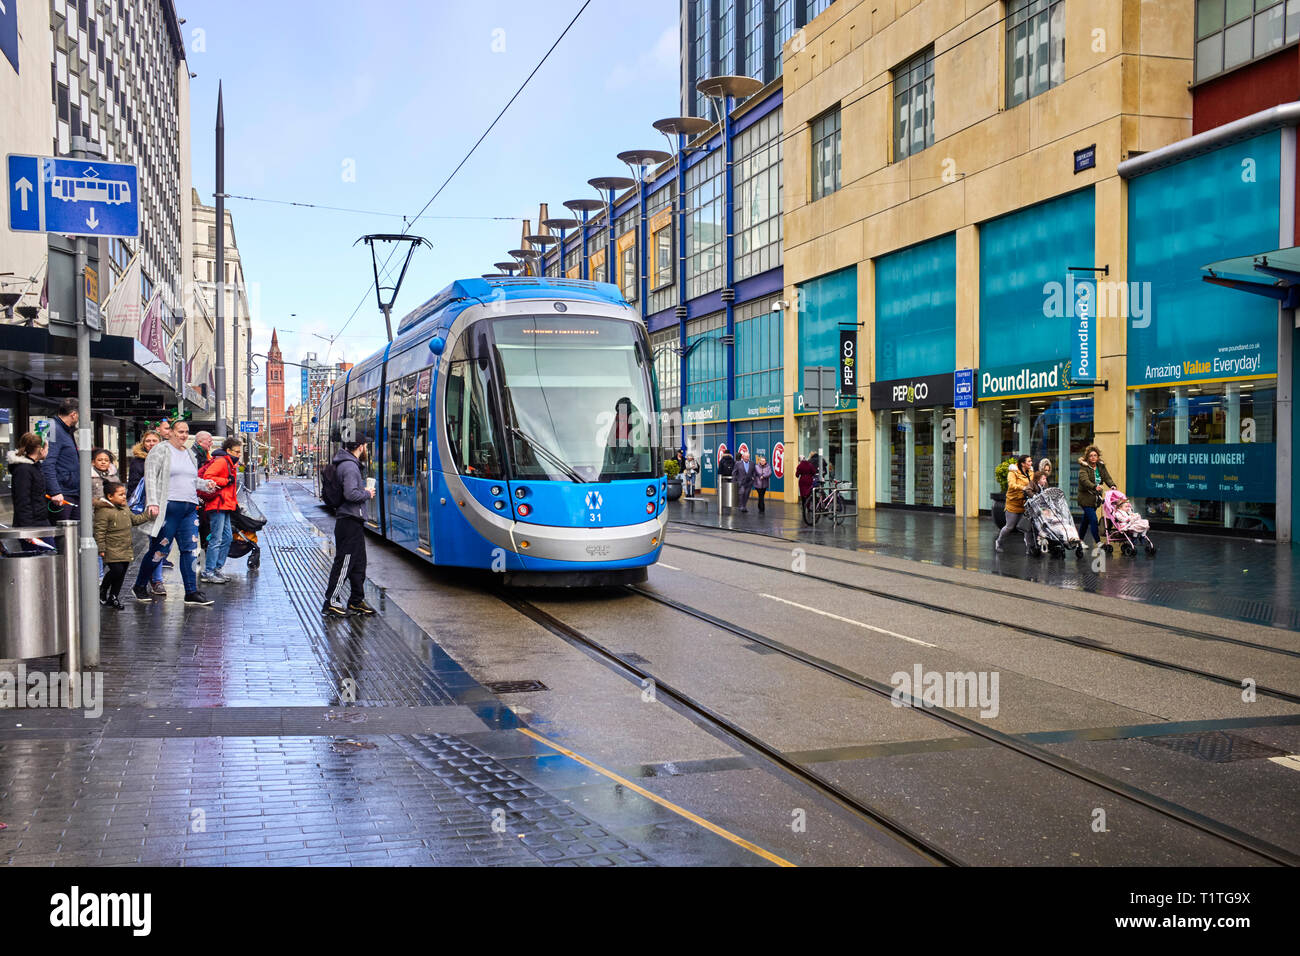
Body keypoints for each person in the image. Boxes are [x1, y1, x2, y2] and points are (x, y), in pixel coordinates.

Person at [130, 419, 217, 607]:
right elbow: (150, 476)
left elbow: (192, 480)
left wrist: (206, 485)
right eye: (180, 431)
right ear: (171, 433)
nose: (183, 435)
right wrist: (152, 502)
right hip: (167, 508)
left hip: (189, 508)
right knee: (160, 551)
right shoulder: (160, 450)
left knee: (190, 550)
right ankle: (139, 585)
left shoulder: (189, 454)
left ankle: (191, 591)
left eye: (186, 432)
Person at [324, 440, 377, 617]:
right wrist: (367, 493)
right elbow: (350, 493)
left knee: (359, 563)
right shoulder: (350, 467)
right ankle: (331, 602)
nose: (366, 450)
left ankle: (356, 601)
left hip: (353, 519)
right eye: (366, 447)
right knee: (345, 563)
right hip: (349, 520)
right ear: (361, 447)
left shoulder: (347, 464)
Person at [94, 480, 151, 610]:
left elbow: (135, 520)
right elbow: (99, 531)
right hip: (112, 547)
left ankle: (114, 596)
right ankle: (103, 589)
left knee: (122, 573)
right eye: (120, 495)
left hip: (125, 547)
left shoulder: (125, 508)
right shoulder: (103, 511)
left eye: (124, 494)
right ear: (110, 496)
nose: (124, 497)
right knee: (116, 570)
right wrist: (101, 548)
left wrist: (148, 515)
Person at [200, 437, 243, 584]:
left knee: (227, 538)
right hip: (218, 505)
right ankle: (209, 571)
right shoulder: (222, 462)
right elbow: (208, 477)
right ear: (228, 450)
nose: (239, 454)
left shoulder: (229, 463)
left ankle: (216, 569)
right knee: (217, 539)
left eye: (239, 452)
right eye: (236, 452)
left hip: (224, 505)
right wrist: (226, 481)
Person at [8, 432, 54, 550]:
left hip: (40, 522)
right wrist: (27, 530)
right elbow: (22, 500)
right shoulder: (24, 470)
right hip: (32, 525)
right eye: (47, 448)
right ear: (40, 449)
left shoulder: (34, 467)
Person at [40, 398, 81, 521]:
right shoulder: (53, 428)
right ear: (73, 415)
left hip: (72, 491)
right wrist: (55, 491)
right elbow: (47, 462)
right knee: (63, 534)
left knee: (74, 532)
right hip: (62, 493)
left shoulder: (65, 430)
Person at [994, 454, 1036, 553]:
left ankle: (1030, 548)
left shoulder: (1031, 472)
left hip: (1026, 503)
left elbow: (1034, 484)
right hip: (1013, 503)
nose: (1031, 463)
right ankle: (999, 542)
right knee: (1010, 526)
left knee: (1027, 527)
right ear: (1022, 463)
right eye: (1029, 461)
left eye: (1031, 461)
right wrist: (1023, 488)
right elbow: (1012, 485)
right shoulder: (1013, 472)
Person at [1076, 444, 1115, 546]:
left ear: (1098, 457)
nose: (1093, 457)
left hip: (1095, 499)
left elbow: (1107, 477)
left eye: (1095, 455)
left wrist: (1112, 485)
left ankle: (1079, 540)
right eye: (1091, 456)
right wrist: (1094, 486)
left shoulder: (1100, 467)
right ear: (1087, 457)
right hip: (1085, 498)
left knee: (1086, 520)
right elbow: (1084, 480)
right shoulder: (1084, 468)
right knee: (1093, 519)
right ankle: (1098, 542)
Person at [126, 431, 159, 498]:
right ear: (143, 444)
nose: (151, 443)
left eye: (154, 441)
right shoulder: (137, 461)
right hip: (144, 498)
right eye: (148, 441)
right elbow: (133, 485)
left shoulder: (167, 458)